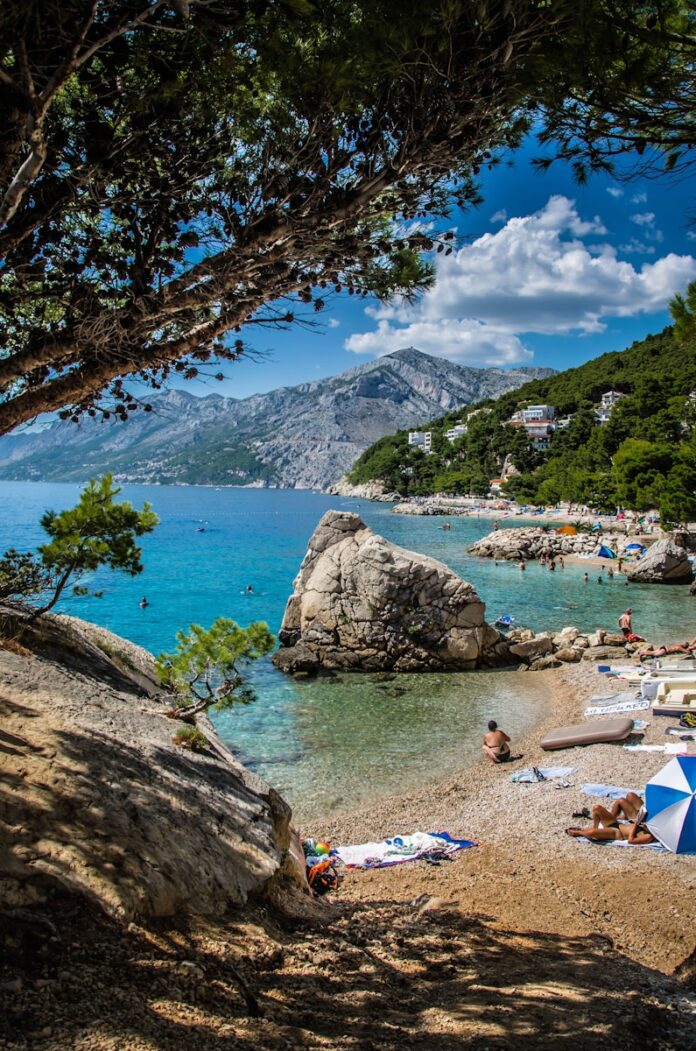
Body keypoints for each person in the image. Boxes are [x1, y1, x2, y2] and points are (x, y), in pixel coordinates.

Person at [566, 793, 655, 844]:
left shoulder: (649, 836)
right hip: (617, 824)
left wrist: (636, 824)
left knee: (591, 833)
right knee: (597, 808)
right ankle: (595, 828)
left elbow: (631, 841)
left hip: (618, 833)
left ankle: (579, 832)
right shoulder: (650, 826)